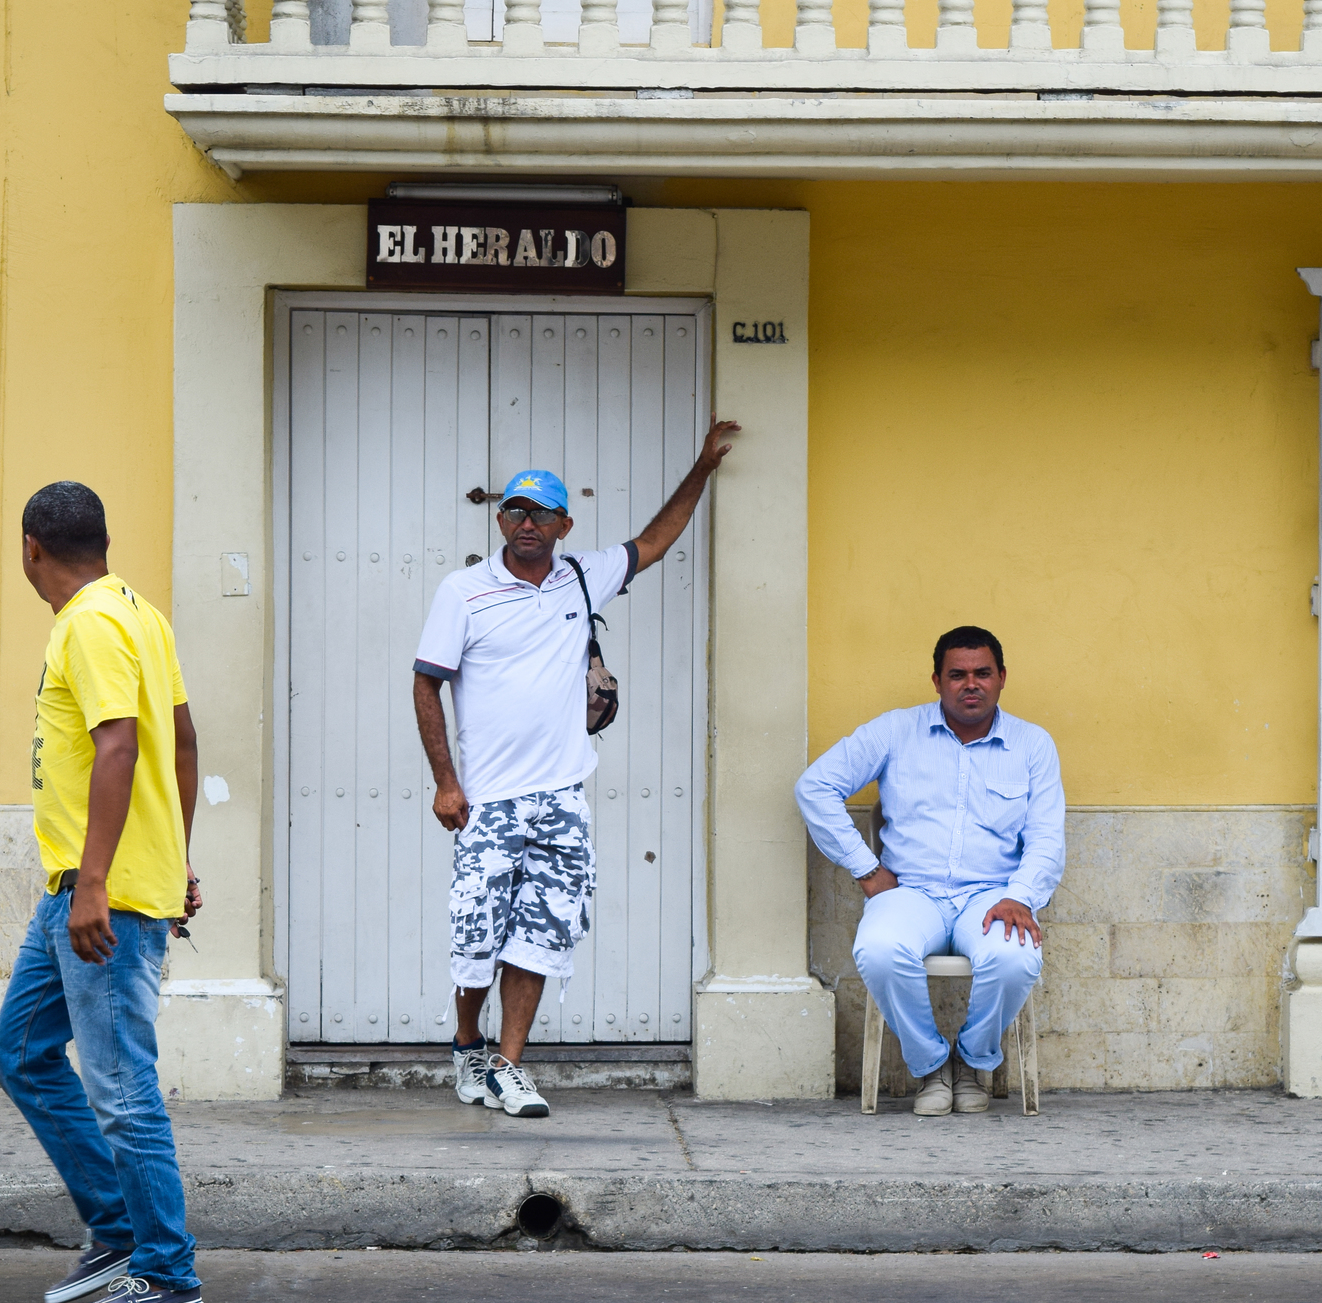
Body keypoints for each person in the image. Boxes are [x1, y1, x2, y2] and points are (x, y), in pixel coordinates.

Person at [413, 423, 740, 1117]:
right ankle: (468, 1044)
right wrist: (447, 780)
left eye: (541, 513)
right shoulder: (464, 590)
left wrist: (703, 464)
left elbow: (656, 539)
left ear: (565, 523)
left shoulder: (582, 576)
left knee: (541, 933)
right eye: (515, 511)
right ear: (501, 519)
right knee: (477, 940)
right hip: (489, 801)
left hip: (561, 797)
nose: (526, 524)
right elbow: (425, 683)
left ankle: (509, 1066)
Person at [0, 481, 207, 1303]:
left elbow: (121, 744)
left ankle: (167, 1269)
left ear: (31, 548)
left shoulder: (89, 623)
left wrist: (95, 884)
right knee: (23, 1052)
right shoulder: (139, 615)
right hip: (76, 894)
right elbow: (182, 740)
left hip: (98, 898)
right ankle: (117, 1230)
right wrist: (177, 855)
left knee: (121, 1086)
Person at [796, 626, 1064, 1116]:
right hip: (910, 891)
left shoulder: (1032, 744)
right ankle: (931, 1066)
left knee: (1014, 959)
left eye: (983, 673)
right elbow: (815, 787)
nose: (971, 684)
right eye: (957, 674)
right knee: (878, 950)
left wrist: (1021, 895)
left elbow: (1047, 834)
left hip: (991, 895)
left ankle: (972, 1060)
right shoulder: (896, 730)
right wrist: (867, 870)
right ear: (937, 681)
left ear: (1002, 678)